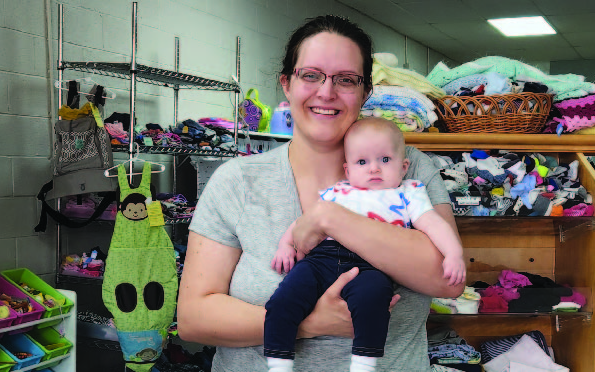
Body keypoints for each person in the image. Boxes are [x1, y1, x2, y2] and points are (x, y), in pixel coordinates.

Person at [179, 15, 465, 372]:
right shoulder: (237, 180)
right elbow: (194, 318)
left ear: (365, 92)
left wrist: (329, 217)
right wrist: (311, 323)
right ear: (286, 84)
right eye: (310, 75)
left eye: (346, 80)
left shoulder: (407, 166)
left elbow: (447, 278)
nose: (326, 92)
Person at [263, 118, 466, 372]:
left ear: (404, 167)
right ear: (348, 171)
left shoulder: (408, 193)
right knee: (284, 298)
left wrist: (453, 254)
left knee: (375, 300)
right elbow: (301, 222)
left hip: (371, 264)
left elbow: (434, 225)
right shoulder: (339, 191)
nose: (374, 169)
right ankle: (278, 364)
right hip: (322, 259)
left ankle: (363, 364)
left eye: (384, 160)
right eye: (362, 162)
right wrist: (285, 245)